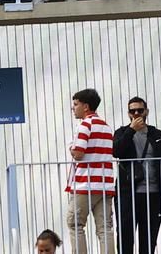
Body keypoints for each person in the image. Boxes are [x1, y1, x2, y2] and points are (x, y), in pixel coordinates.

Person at [112, 96, 161, 254]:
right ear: (128, 114)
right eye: (132, 111)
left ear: (146, 111)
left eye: (139, 110)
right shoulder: (121, 132)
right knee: (125, 238)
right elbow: (116, 151)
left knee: (148, 240)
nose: (136, 114)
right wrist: (131, 130)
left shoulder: (157, 135)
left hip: (153, 194)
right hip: (128, 194)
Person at [64, 87, 116, 254]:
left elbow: (78, 154)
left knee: (75, 223)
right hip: (105, 184)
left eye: (76, 104)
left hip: (85, 184)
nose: (74, 108)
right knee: (105, 227)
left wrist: (71, 148)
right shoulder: (106, 127)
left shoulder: (85, 125)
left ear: (86, 107)